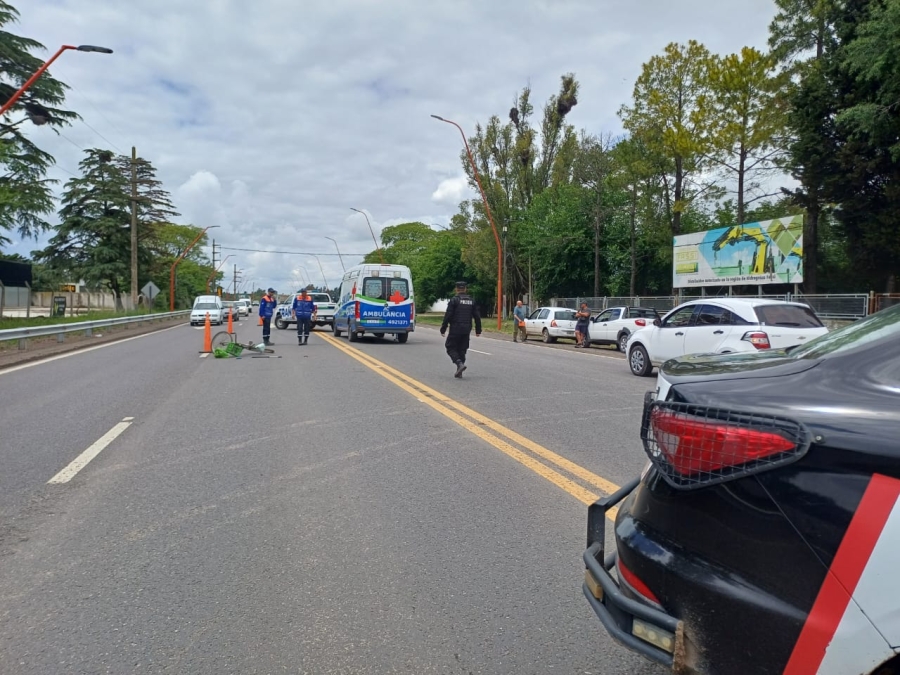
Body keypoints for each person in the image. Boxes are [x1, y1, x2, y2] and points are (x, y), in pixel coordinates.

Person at [440, 281, 482, 378]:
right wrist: (478, 330)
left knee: (450, 347)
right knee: (462, 350)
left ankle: (459, 364)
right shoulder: (471, 301)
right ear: (465, 289)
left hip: (455, 328)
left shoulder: (454, 300)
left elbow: (448, 315)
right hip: (467, 329)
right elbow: (477, 316)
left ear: (456, 289)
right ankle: (460, 371)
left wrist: (443, 328)